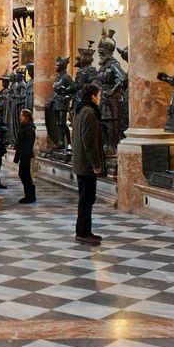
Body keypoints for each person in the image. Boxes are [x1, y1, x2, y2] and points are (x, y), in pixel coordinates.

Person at [71, 84, 105, 246]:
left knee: (86, 199)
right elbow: (89, 142)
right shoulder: (89, 113)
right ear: (93, 96)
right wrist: (96, 164)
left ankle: (85, 231)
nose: (100, 99)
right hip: (86, 164)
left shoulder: (80, 111)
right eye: (99, 95)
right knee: (86, 199)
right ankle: (82, 233)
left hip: (80, 162)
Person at [13, 109, 36, 203]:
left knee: (25, 175)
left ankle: (30, 196)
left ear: (26, 117)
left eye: (21, 115)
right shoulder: (24, 127)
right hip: (23, 154)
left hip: (25, 155)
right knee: (24, 175)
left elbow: (28, 144)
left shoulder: (29, 128)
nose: (20, 117)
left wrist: (24, 156)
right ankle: (29, 195)